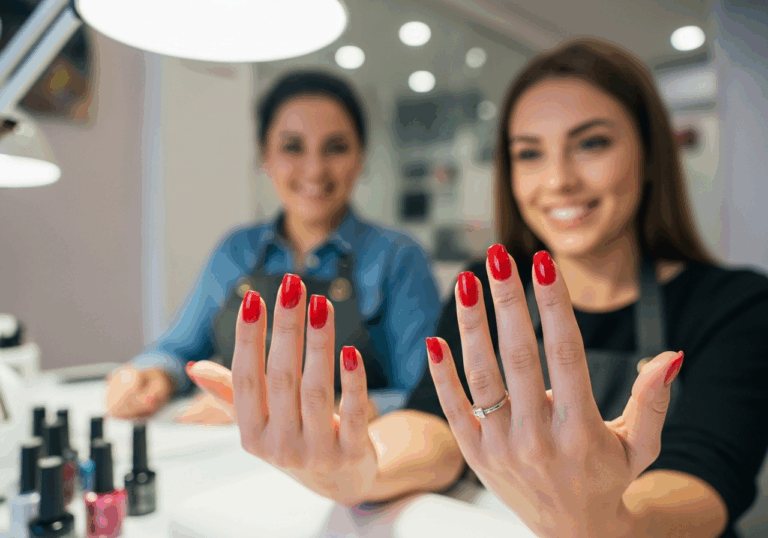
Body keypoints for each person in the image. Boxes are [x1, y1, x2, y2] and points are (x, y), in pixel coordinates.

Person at [186, 38, 768, 538]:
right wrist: (362, 467)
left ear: (649, 153)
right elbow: (435, 425)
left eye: (592, 143)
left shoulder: (734, 305)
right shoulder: (486, 293)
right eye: (529, 153)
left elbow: (705, 482)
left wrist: (610, 520)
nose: (558, 179)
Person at [105, 71, 441, 424]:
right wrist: (150, 377)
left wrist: (288, 409)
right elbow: (176, 350)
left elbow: (424, 395)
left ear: (361, 157)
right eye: (292, 147)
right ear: (265, 156)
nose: (315, 169)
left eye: (336, 148)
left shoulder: (398, 258)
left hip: (348, 451)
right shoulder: (236, 251)